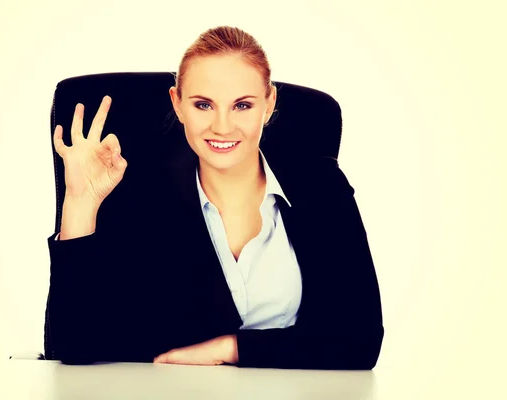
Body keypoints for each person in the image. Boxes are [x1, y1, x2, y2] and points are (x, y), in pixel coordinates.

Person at [46, 26, 384, 369]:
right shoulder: (142, 196)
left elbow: (359, 340)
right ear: (177, 104)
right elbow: (77, 342)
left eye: (242, 105)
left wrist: (230, 349)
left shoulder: (320, 187)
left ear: (269, 105)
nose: (222, 127)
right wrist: (80, 203)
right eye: (204, 105)